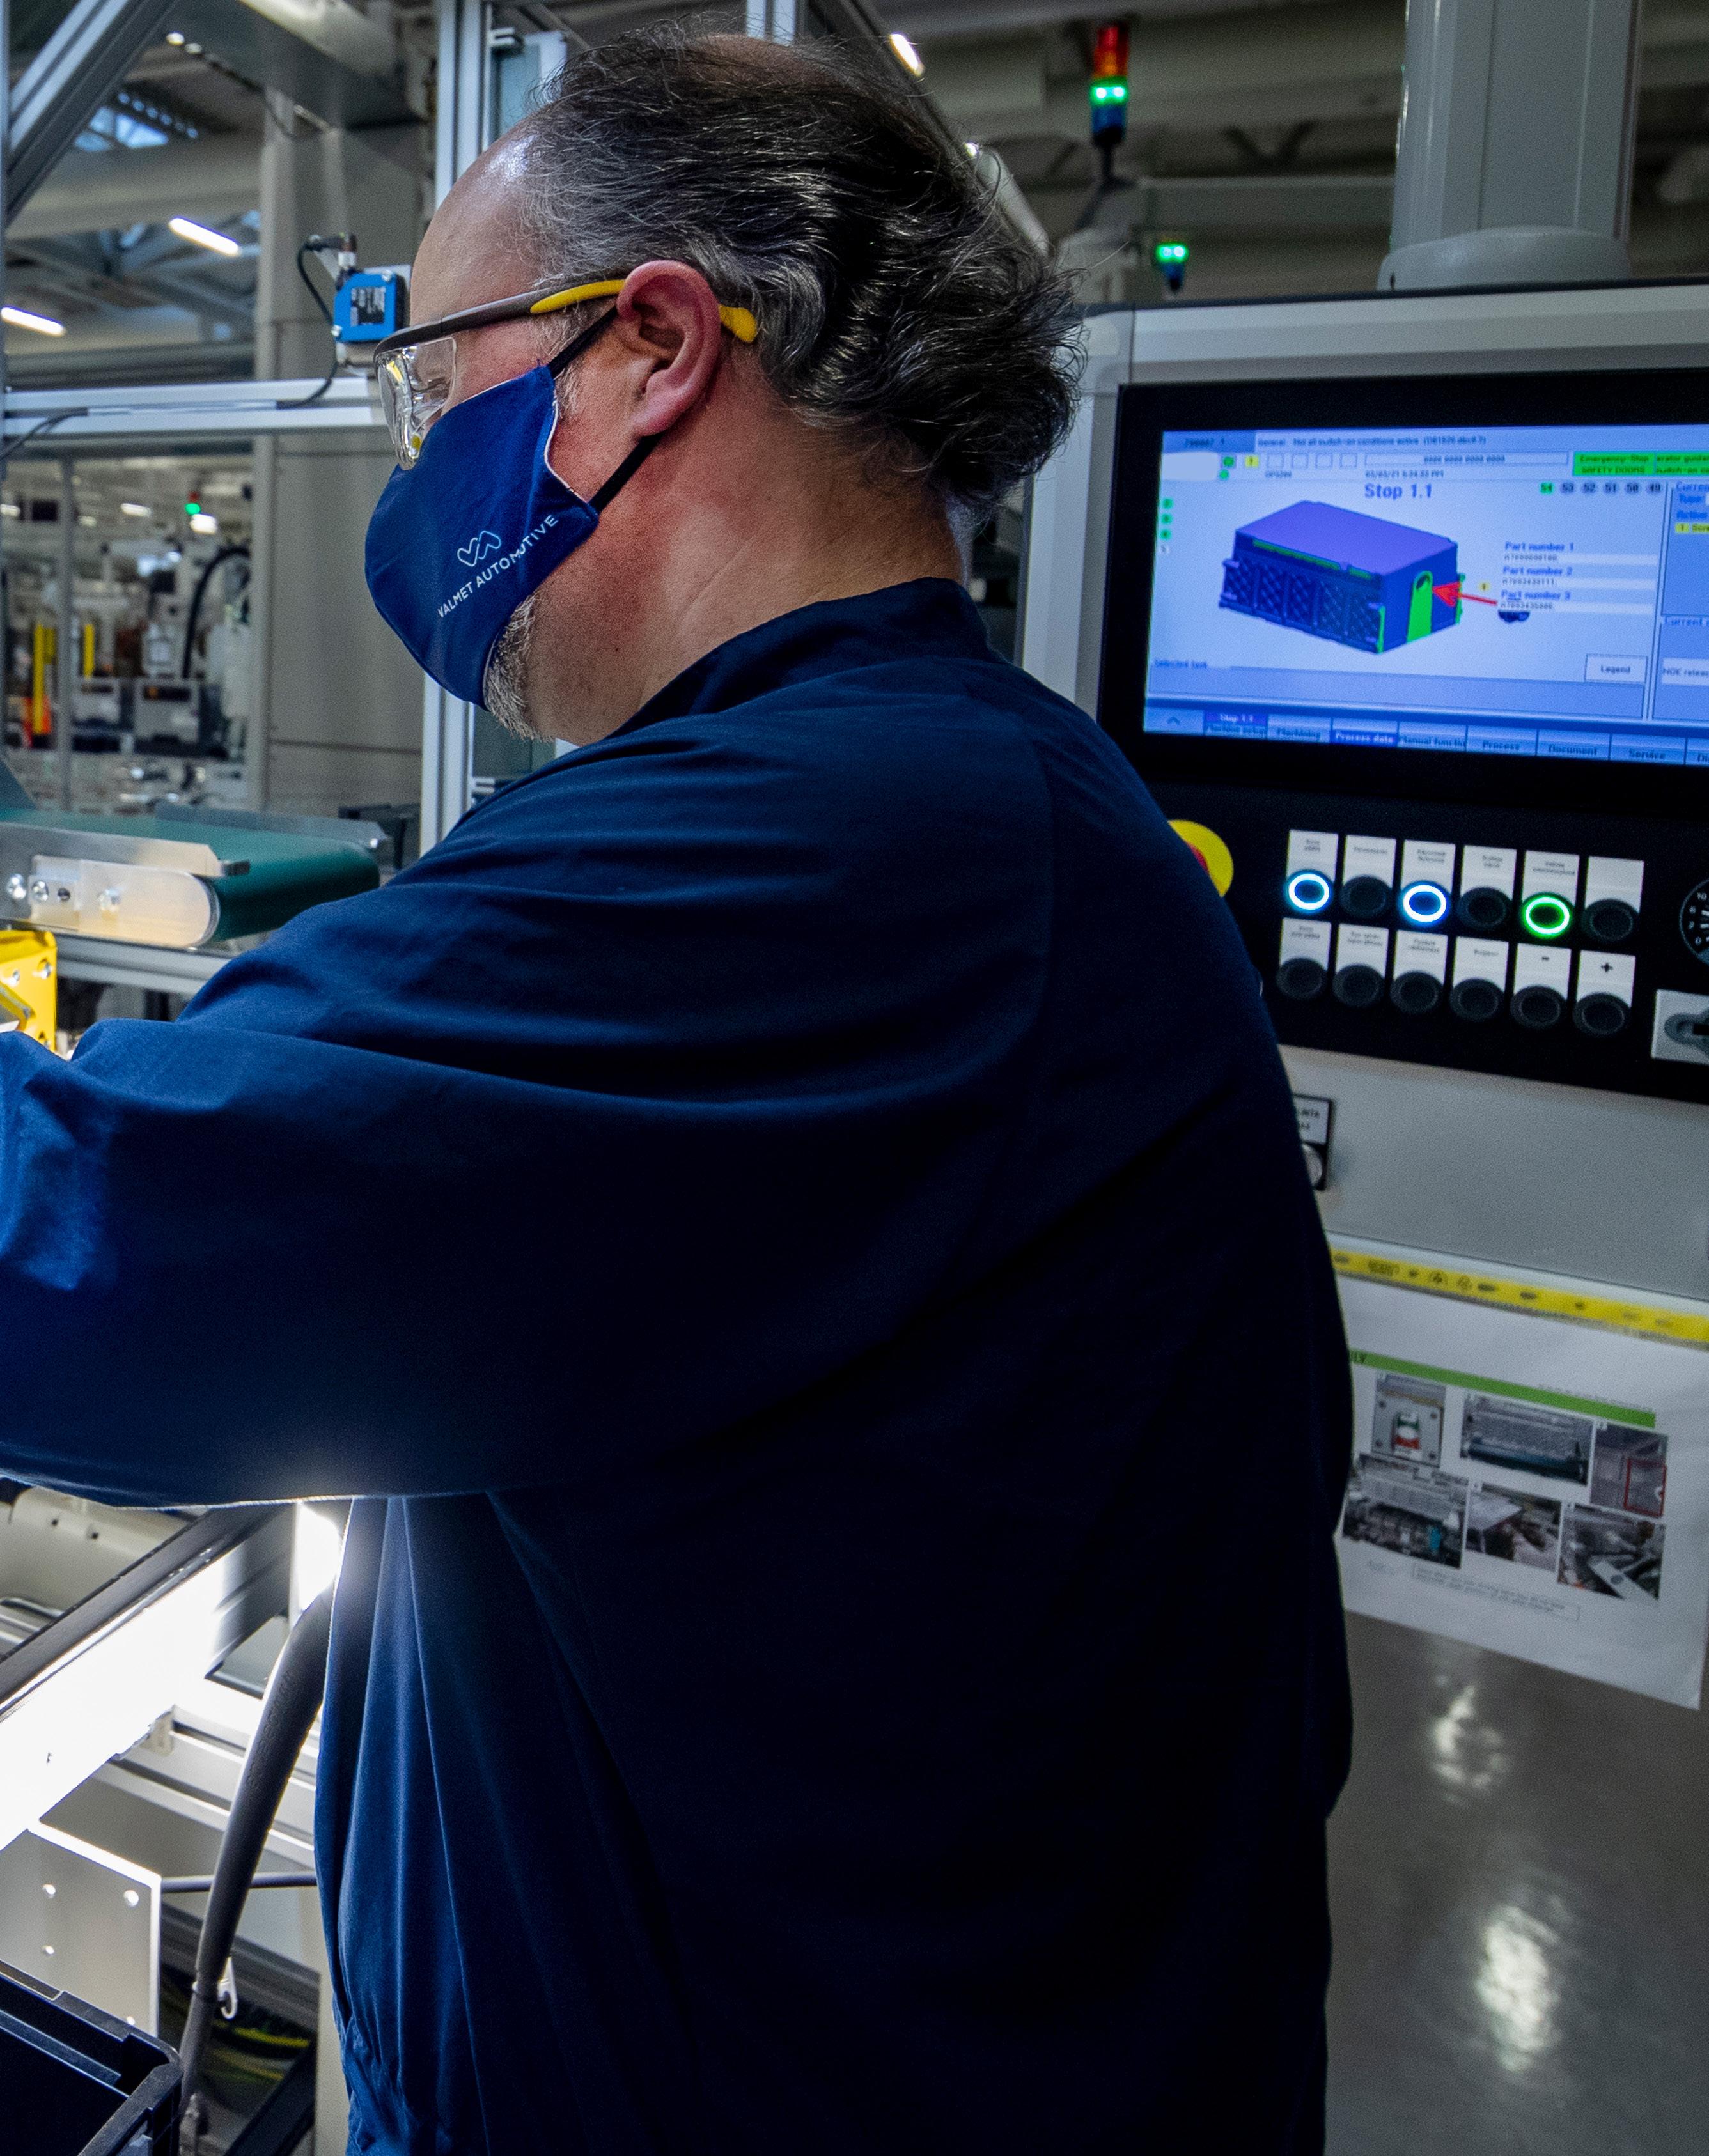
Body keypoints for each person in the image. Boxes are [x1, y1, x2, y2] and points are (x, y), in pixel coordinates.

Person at [0, 27, 1350, 2155]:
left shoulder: (842, 848)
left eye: (439, 391)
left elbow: (77, 1257)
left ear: (648, 351)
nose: (421, 474)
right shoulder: (968, 803)